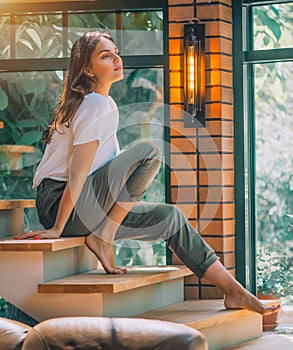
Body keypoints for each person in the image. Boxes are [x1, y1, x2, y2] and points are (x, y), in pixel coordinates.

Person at [15, 31, 279, 316]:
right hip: (61, 204)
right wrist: (56, 227)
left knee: (171, 218)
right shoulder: (95, 104)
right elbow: (77, 175)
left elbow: (90, 176)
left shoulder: (97, 104)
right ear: (88, 69)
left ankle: (232, 290)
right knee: (150, 151)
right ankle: (104, 236)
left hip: (84, 208)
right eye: (106, 56)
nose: (117, 58)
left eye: (116, 52)